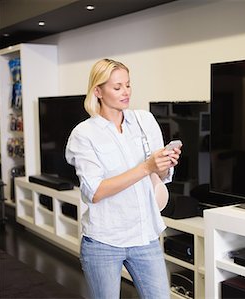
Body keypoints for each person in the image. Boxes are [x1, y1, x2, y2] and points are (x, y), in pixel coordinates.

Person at [65, 58, 181, 299]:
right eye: (117, 87)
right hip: (104, 241)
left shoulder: (145, 121)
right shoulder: (84, 134)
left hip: (145, 235)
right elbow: (95, 191)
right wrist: (146, 166)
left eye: (128, 85)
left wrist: (164, 163)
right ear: (98, 91)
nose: (126, 92)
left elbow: (159, 176)